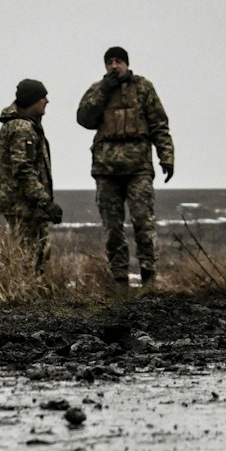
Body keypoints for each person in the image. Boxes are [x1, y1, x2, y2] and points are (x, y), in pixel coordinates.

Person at [75, 46, 174, 288]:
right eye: (109, 62)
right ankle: (119, 280)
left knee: (143, 222)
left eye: (118, 61)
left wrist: (166, 156)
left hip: (138, 167)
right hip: (106, 169)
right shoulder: (98, 90)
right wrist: (104, 91)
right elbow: (84, 118)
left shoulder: (143, 87)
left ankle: (149, 277)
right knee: (113, 227)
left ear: (127, 64)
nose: (114, 65)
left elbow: (159, 124)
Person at [0, 78, 61, 274]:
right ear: (32, 100)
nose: (46, 101)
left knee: (37, 252)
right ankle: (23, 297)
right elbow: (24, 169)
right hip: (23, 205)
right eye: (42, 97)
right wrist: (44, 201)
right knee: (27, 256)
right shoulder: (22, 129)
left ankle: (30, 295)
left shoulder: (23, 126)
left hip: (26, 204)